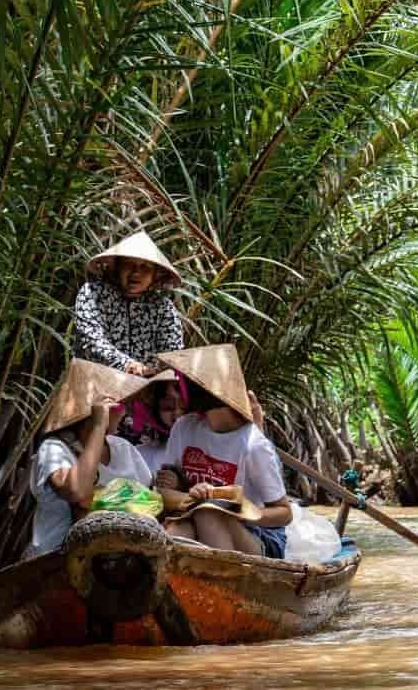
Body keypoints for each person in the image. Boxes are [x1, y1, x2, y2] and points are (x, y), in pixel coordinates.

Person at [154, 345, 292, 558]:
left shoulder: (253, 445)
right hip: (197, 518)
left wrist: (235, 509)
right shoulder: (184, 427)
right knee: (179, 530)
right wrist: (193, 496)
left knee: (208, 512)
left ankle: (227, 582)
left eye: (186, 383)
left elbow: (284, 513)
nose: (180, 392)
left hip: (258, 535)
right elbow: (163, 490)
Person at [26, 359, 155, 557]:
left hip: (119, 557)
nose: (125, 413)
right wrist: (97, 426)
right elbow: (76, 490)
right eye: (119, 406)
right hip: (57, 559)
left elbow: (149, 495)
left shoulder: (123, 448)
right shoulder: (54, 449)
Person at [74, 230, 184, 377]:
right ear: (117, 267)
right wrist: (128, 365)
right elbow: (91, 341)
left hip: (146, 390)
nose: (136, 273)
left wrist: (166, 384)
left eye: (145, 267)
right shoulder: (93, 293)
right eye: (129, 265)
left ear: (155, 275)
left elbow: (173, 355)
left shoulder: (163, 308)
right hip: (96, 385)